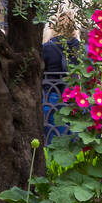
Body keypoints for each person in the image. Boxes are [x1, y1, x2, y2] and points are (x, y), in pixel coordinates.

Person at [41, 15, 80, 143]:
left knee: (52, 138)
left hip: (51, 96)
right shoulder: (79, 47)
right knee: (72, 136)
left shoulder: (48, 47)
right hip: (72, 96)